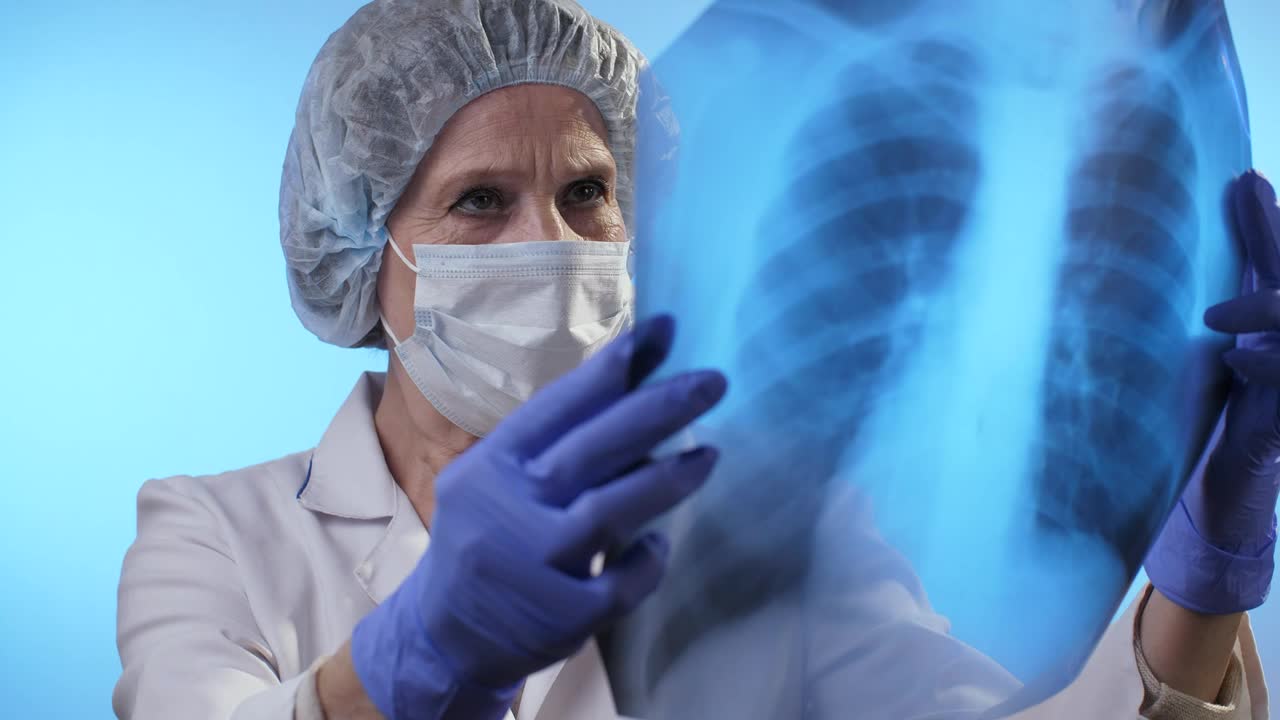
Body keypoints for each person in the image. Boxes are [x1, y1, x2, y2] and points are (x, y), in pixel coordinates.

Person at [111, 1, 1274, 718]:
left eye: (585, 193)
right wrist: (422, 654)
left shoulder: (772, 524)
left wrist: (1197, 576)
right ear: (361, 254)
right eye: (478, 201)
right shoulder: (216, 532)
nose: (550, 245)